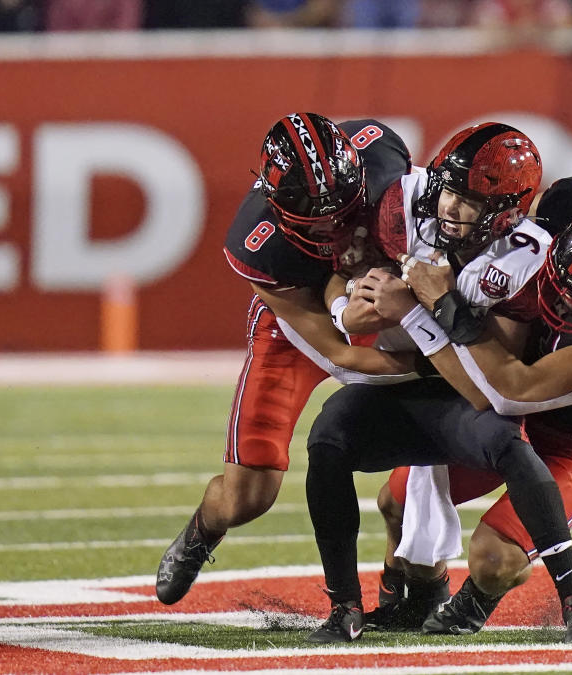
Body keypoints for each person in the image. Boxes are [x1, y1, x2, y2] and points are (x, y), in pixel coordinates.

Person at [301, 127, 572, 644]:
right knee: (329, 439)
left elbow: (489, 383)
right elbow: (339, 264)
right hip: (420, 379)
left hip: (476, 392)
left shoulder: (520, 258)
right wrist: (346, 300)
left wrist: (417, 312)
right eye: (449, 192)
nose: (449, 210)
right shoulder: (403, 204)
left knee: (509, 450)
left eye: (470, 202)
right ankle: (344, 606)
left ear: (509, 212)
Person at [363, 180, 572, 639]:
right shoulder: (563, 213)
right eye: (565, 281)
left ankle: (476, 600)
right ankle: (420, 597)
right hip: (518, 418)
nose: (566, 304)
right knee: (398, 499)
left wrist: (439, 305)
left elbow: (511, 388)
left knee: (493, 559)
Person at [155, 112, 416, 606]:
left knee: (434, 446)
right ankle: (202, 530)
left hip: (388, 301)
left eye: (342, 210)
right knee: (248, 497)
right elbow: (341, 354)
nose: (335, 228)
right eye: (318, 221)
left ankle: (404, 572)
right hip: (297, 327)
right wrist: (433, 368)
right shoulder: (259, 244)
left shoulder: (385, 157)